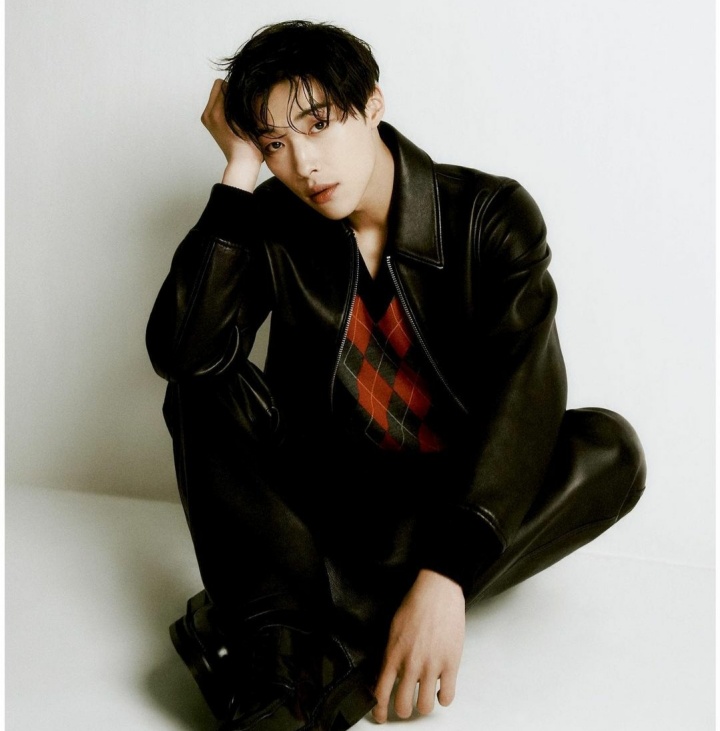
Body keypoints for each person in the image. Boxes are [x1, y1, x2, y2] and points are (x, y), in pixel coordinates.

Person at [146, 19, 646, 731]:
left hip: (446, 507)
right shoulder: (272, 222)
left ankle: (306, 641)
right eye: (276, 144)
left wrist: (445, 577)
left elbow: (526, 397)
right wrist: (237, 175)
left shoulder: (487, 217)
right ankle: (290, 633)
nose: (305, 163)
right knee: (205, 378)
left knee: (609, 448)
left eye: (319, 124)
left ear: (373, 102)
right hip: (327, 512)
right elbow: (182, 355)